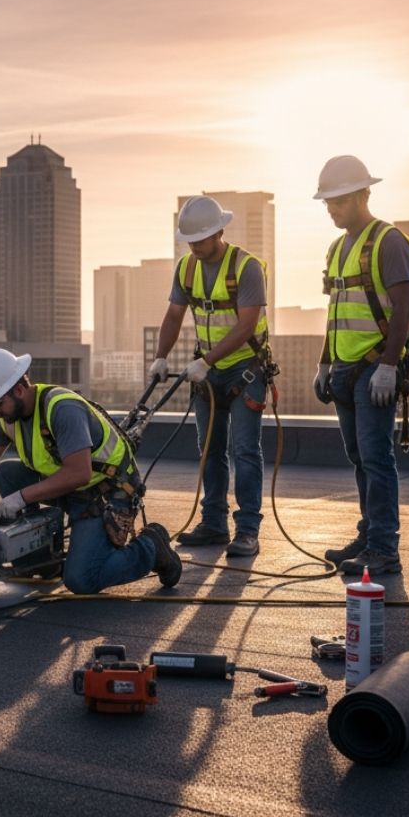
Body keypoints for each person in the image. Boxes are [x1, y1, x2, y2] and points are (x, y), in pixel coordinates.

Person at [0, 347, 181, 593]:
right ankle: (39, 562)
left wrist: (22, 498)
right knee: (7, 473)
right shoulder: (8, 416)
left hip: (105, 490)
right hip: (69, 484)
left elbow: (79, 473)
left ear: (19, 390)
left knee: (81, 579)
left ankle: (152, 547)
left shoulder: (62, 409)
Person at [149, 195, 271, 558]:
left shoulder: (246, 267)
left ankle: (247, 530)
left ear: (219, 232)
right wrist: (160, 357)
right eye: (190, 241)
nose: (195, 247)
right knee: (209, 450)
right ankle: (214, 523)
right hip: (208, 373)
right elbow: (173, 316)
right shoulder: (186, 269)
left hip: (246, 369)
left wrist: (208, 360)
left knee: (245, 451)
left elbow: (246, 323)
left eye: (200, 240)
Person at [313, 155, 409, 576]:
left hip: (375, 368)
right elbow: (336, 311)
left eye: (338, 200)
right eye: (328, 202)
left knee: (376, 457)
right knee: (358, 457)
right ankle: (369, 533)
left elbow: (405, 306)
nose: (332, 208)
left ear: (362, 195)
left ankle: (383, 547)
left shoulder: (389, 241)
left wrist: (390, 365)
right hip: (344, 369)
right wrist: (324, 363)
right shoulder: (337, 249)